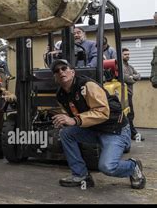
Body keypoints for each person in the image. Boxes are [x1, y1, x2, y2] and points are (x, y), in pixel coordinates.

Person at [50, 59, 145, 189]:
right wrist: (63, 120)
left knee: (107, 167)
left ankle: (132, 167)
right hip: (93, 129)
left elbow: (103, 112)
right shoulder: (61, 95)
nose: (61, 72)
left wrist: (74, 120)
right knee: (66, 133)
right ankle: (81, 175)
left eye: (64, 68)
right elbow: (72, 113)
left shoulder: (87, 85)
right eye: (56, 71)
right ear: (55, 77)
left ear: (72, 72)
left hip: (114, 130)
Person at [122, 48, 143, 141]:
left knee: (130, 114)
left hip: (129, 93)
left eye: (128, 54)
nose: (127, 56)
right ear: (121, 55)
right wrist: (132, 78)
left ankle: (130, 133)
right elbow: (126, 79)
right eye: (125, 54)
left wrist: (132, 77)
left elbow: (139, 75)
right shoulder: (120, 66)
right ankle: (132, 133)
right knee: (129, 114)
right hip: (124, 94)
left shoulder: (130, 67)